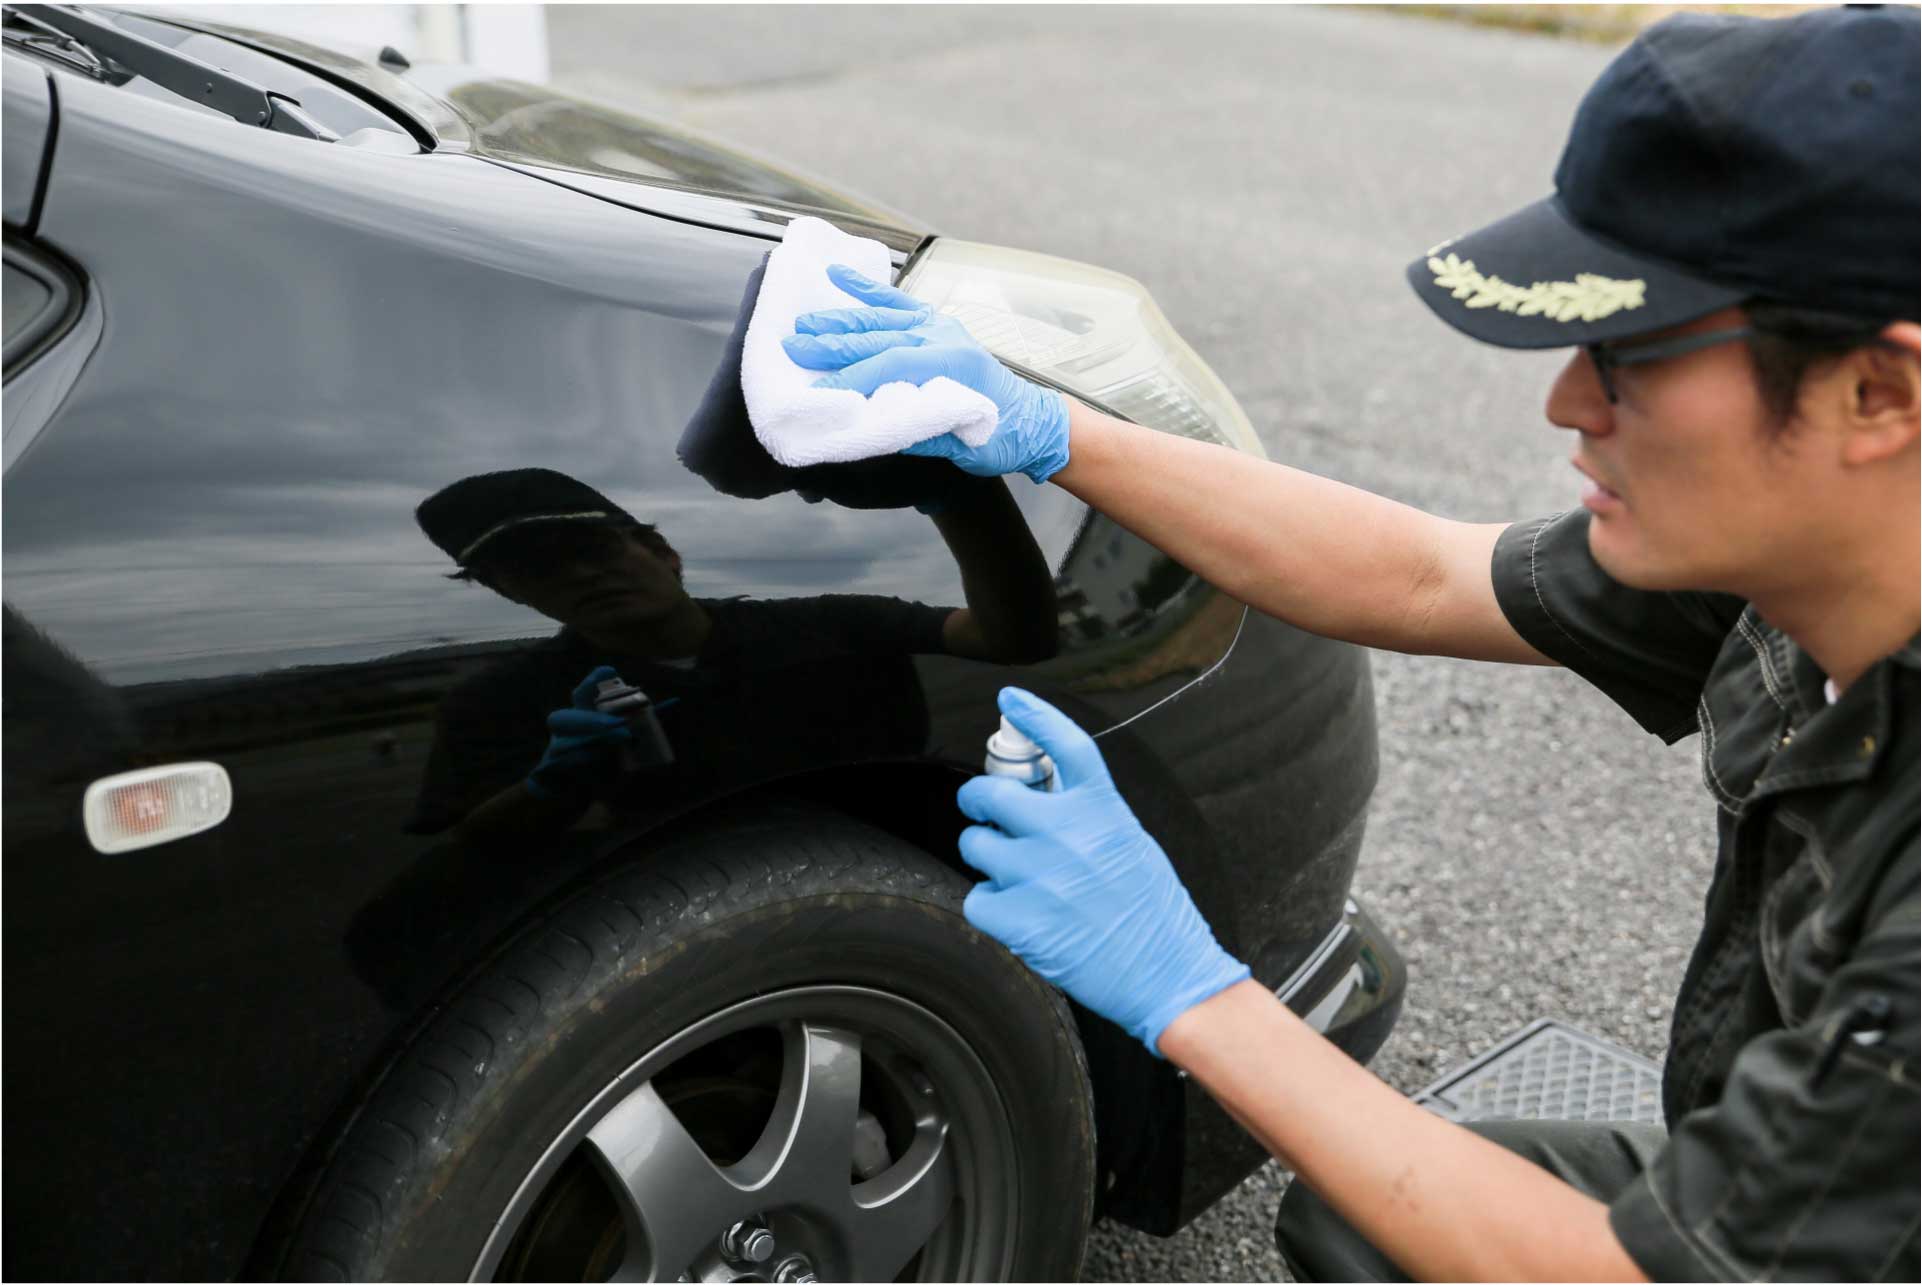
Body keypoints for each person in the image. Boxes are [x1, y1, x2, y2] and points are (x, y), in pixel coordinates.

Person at [779, 7, 1919, 1280]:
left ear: (1875, 394)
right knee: (1372, 1213)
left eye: (1626, 356)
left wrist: (1185, 991)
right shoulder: (1810, 556)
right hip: (1816, 1165)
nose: (1566, 402)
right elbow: (1423, 574)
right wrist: (1053, 427)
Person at [406, 467, 1056, 847]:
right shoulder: (499, 702)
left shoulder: (835, 623)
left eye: (593, 550)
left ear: (663, 552)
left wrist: (958, 490)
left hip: (904, 851)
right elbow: (462, 849)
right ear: (508, 593)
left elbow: (1011, 639)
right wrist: (547, 792)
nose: (579, 576)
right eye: (535, 570)